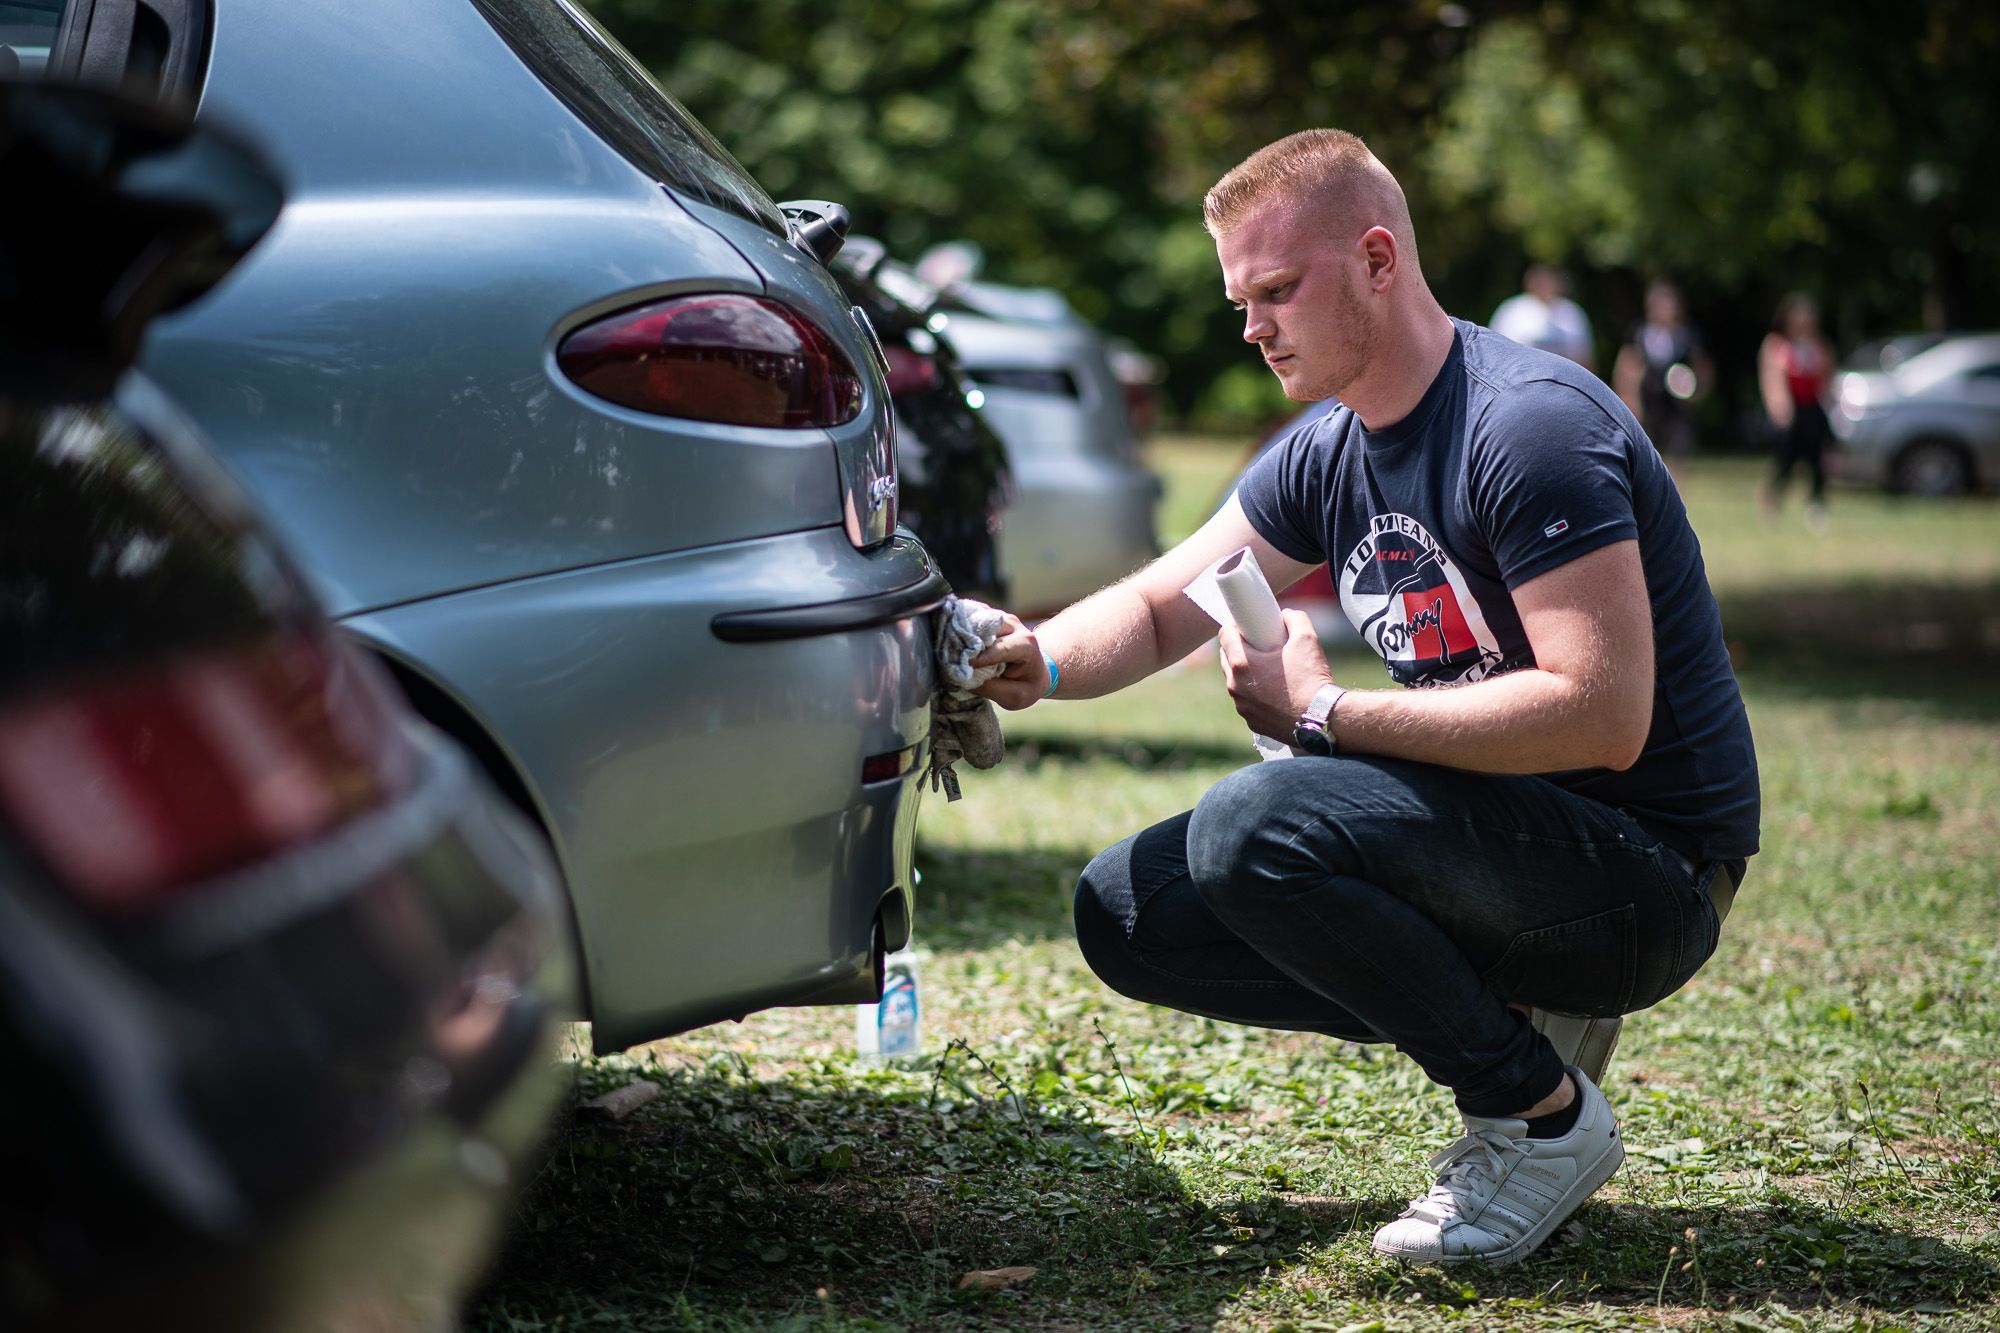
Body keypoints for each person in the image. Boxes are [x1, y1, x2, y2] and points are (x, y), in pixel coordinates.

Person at [970, 129, 1759, 1266]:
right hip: (1504, 840)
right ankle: (1519, 1021)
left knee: (1253, 823)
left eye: (1278, 290)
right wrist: (1029, 660)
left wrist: (1320, 715)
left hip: (1648, 874)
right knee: (1125, 907)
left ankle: (1535, 1118)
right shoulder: (1327, 449)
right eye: (1240, 299)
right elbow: (1156, 609)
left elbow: (1599, 711)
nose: (1251, 327)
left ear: (1378, 261)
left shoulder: (1525, 424)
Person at [1614, 280, 1712, 484]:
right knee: (1645, 449)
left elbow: (1702, 367)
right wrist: (1629, 397)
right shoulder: (1639, 333)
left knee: (1679, 448)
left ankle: (1677, 494)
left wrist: (1696, 393)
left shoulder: (1686, 335)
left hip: (1677, 404)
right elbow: (1627, 365)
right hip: (1648, 400)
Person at [1758, 293, 1834, 531]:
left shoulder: (1819, 346)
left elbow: (1827, 378)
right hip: (1790, 411)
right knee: (1785, 462)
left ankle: (1817, 505)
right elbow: (1772, 380)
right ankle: (1771, 501)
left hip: (1813, 409)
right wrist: (1779, 408)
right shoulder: (1776, 345)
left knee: (1818, 462)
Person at [1490, 263, 1595, 371]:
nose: (1543, 286)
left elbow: (1585, 358)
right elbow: (1497, 354)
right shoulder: (1511, 310)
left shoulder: (1571, 312)